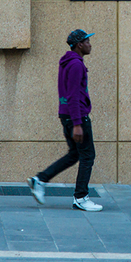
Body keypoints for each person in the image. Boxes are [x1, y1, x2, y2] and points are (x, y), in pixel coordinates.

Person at [27, 29, 103, 212]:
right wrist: (77, 124)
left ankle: (40, 180)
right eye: (87, 41)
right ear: (79, 45)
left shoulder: (69, 62)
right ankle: (81, 197)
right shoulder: (76, 65)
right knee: (87, 156)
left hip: (67, 114)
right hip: (76, 117)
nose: (90, 44)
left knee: (75, 154)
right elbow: (73, 95)